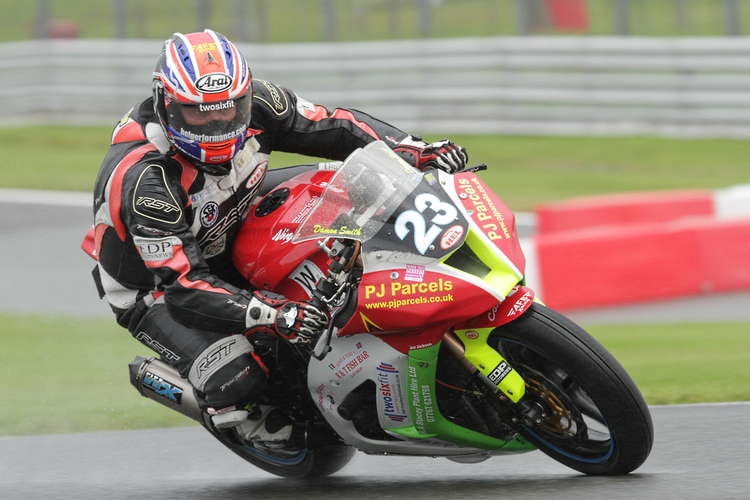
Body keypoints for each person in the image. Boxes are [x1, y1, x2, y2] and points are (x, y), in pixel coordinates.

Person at [89, 29, 468, 446]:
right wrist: (273, 314)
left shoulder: (259, 102)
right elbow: (182, 286)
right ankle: (221, 404)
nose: (218, 124)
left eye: (229, 110)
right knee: (239, 377)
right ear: (167, 106)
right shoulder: (147, 183)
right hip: (155, 288)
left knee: (347, 188)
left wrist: (411, 149)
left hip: (234, 209)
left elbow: (334, 126)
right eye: (200, 114)